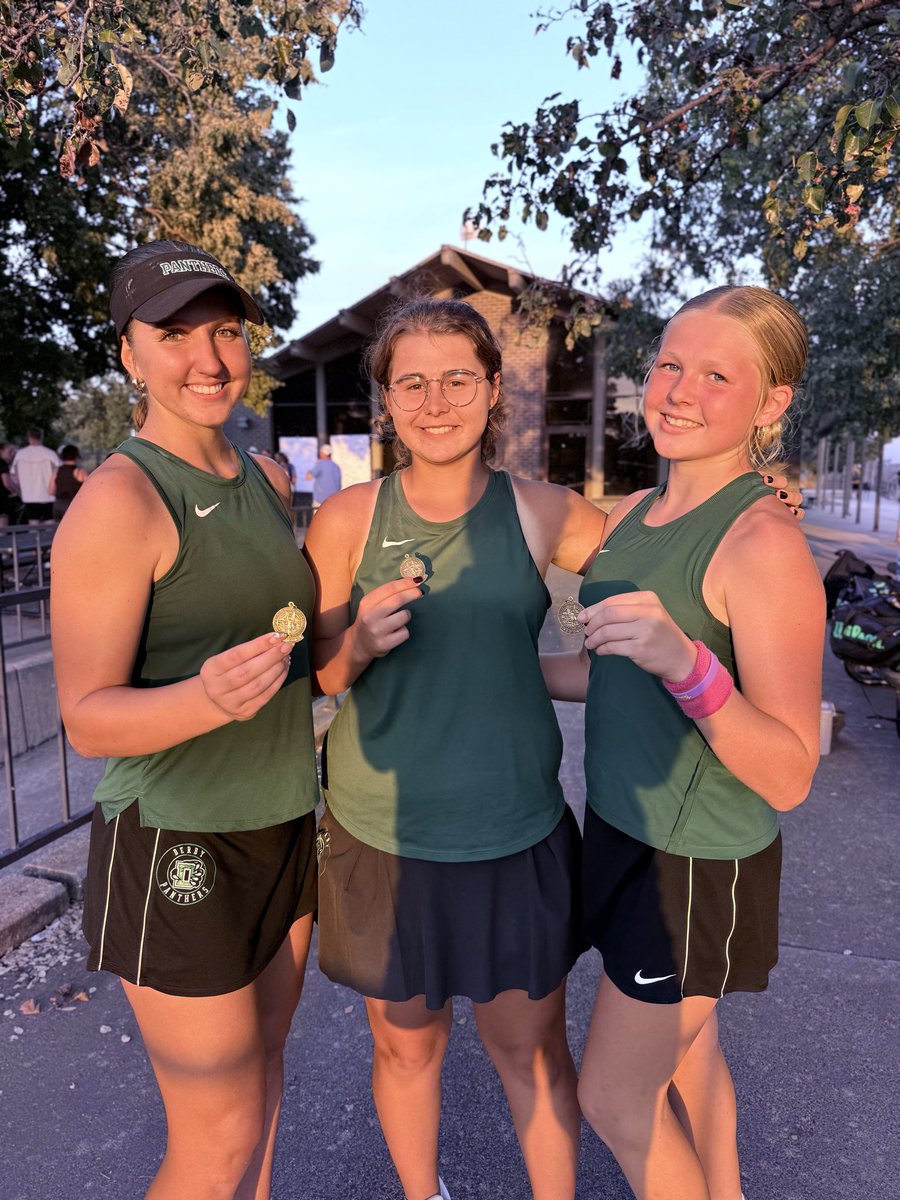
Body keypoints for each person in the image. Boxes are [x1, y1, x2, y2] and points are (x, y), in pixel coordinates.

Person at [303, 296, 797, 1200]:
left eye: (459, 379)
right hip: (388, 831)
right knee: (408, 1046)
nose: (436, 402)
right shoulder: (346, 521)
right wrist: (360, 646)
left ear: (496, 388)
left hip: (525, 832)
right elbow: (320, 674)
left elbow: (666, 545)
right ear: (384, 397)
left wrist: (756, 501)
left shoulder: (549, 513)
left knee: (541, 1059)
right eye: (411, 383)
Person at [50, 239, 319, 1200]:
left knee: (267, 1076)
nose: (208, 358)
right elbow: (87, 720)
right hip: (176, 840)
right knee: (218, 1132)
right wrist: (202, 700)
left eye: (226, 332)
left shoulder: (265, 482)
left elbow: (291, 646)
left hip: (284, 822)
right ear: (129, 353)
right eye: (173, 335)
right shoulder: (120, 500)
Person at [542, 286, 825, 1200]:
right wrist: (499, 673)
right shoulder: (633, 515)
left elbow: (790, 773)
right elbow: (607, 675)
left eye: (716, 376)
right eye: (670, 364)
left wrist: (689, 666)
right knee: (690, 1062)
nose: (679, 391)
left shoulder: (764, 544)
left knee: (615, 1098)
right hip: (623, 830)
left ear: (771, 402)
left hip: (697, 866)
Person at [11, 427, 59, 523]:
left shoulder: (20, 455)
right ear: (41, 437)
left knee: (33, 523)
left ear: (29, 437)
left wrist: (20, 488)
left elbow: (14, 474)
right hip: (48, 495)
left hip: (28, 495)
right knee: (49, 522)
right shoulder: (50, 454)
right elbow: (58, 471)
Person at [48, 444, 88, 521]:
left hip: (58, 505)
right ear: (76, 456)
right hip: (73, 506)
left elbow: (50, 491)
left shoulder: (56, 471)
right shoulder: (80, 472)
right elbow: (88, 491)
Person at [305, 442, 341, 507]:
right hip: (334, 501)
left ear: (322, 453)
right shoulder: (336, 466)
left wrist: (310, 470)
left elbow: (308, 477)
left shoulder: (320, 464)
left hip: (320, 501)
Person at [0, 442, 19, 527]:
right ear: (1, 451)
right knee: (3, 530)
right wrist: (18, 493)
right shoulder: (2, 464)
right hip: (2, 500)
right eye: (10, 451)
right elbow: (7, 483)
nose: (12, 454)